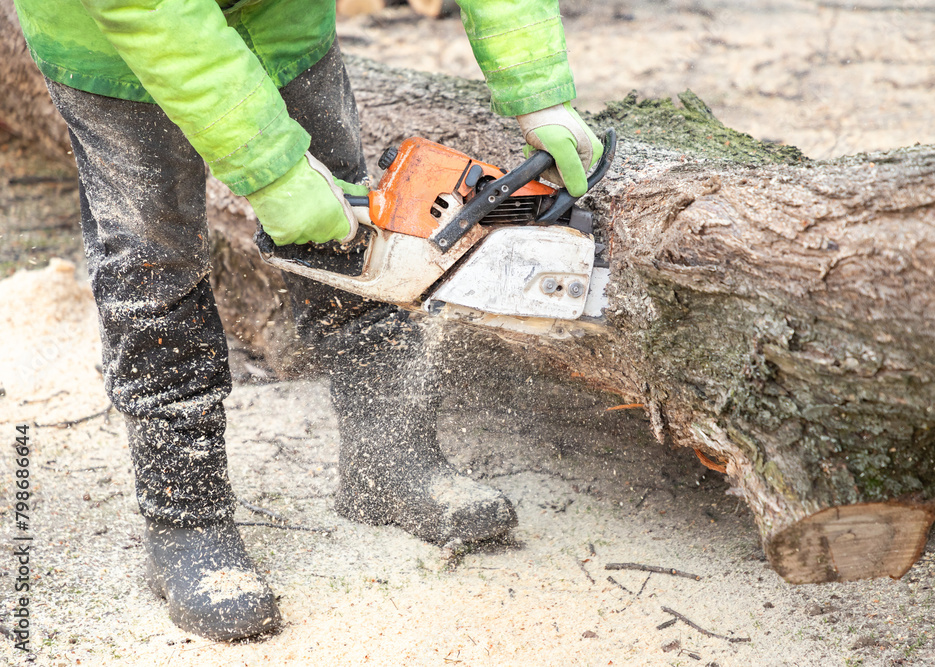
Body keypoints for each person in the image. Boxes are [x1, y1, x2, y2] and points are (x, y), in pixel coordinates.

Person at [13, 0, 603, 641]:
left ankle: (389, 462)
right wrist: (274, 169)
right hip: (115, 40)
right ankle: (187, 519)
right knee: (152, 260)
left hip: (283, 19)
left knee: (361, 231)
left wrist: (537, 87)